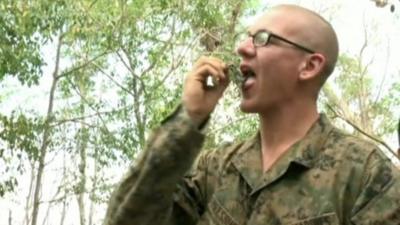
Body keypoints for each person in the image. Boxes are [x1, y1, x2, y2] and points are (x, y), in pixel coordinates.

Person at [103, 4, 400, 225]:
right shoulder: (215, 169)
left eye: (262, 39)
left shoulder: (367, 173)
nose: (242, 48)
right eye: (246, 38)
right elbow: (127, 219)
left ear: (309, 66)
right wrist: (188, 119)